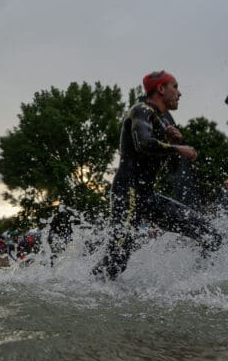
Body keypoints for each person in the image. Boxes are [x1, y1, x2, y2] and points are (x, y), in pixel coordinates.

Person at [92, 70, 221, 280]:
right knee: (117, 259)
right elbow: (142, 144)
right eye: (175, 87)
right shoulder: (141, 110)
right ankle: (87, 291)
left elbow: (171, 169)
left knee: (209, 233)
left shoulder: (162, 123)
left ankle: (196, 284)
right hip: (128, 192)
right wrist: (178, 148)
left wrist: (176, 143)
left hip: (147, 196)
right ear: (161, 89)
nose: (179, 93)